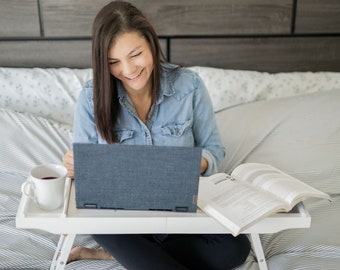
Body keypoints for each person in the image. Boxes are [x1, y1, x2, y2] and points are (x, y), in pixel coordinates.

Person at [62, 1, 251, 269]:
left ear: (151, 43)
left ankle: (120, 256)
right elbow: (88, 173)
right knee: (98, 222)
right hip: (120, 222)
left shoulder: (190, 85)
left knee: (235, 248)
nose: (128, 70)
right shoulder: (91, 97)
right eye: (114, 62)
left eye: (135, 54)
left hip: (179, 213)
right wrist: (75, 166)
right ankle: (132, 252)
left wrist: (197, 164)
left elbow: (214, 148)